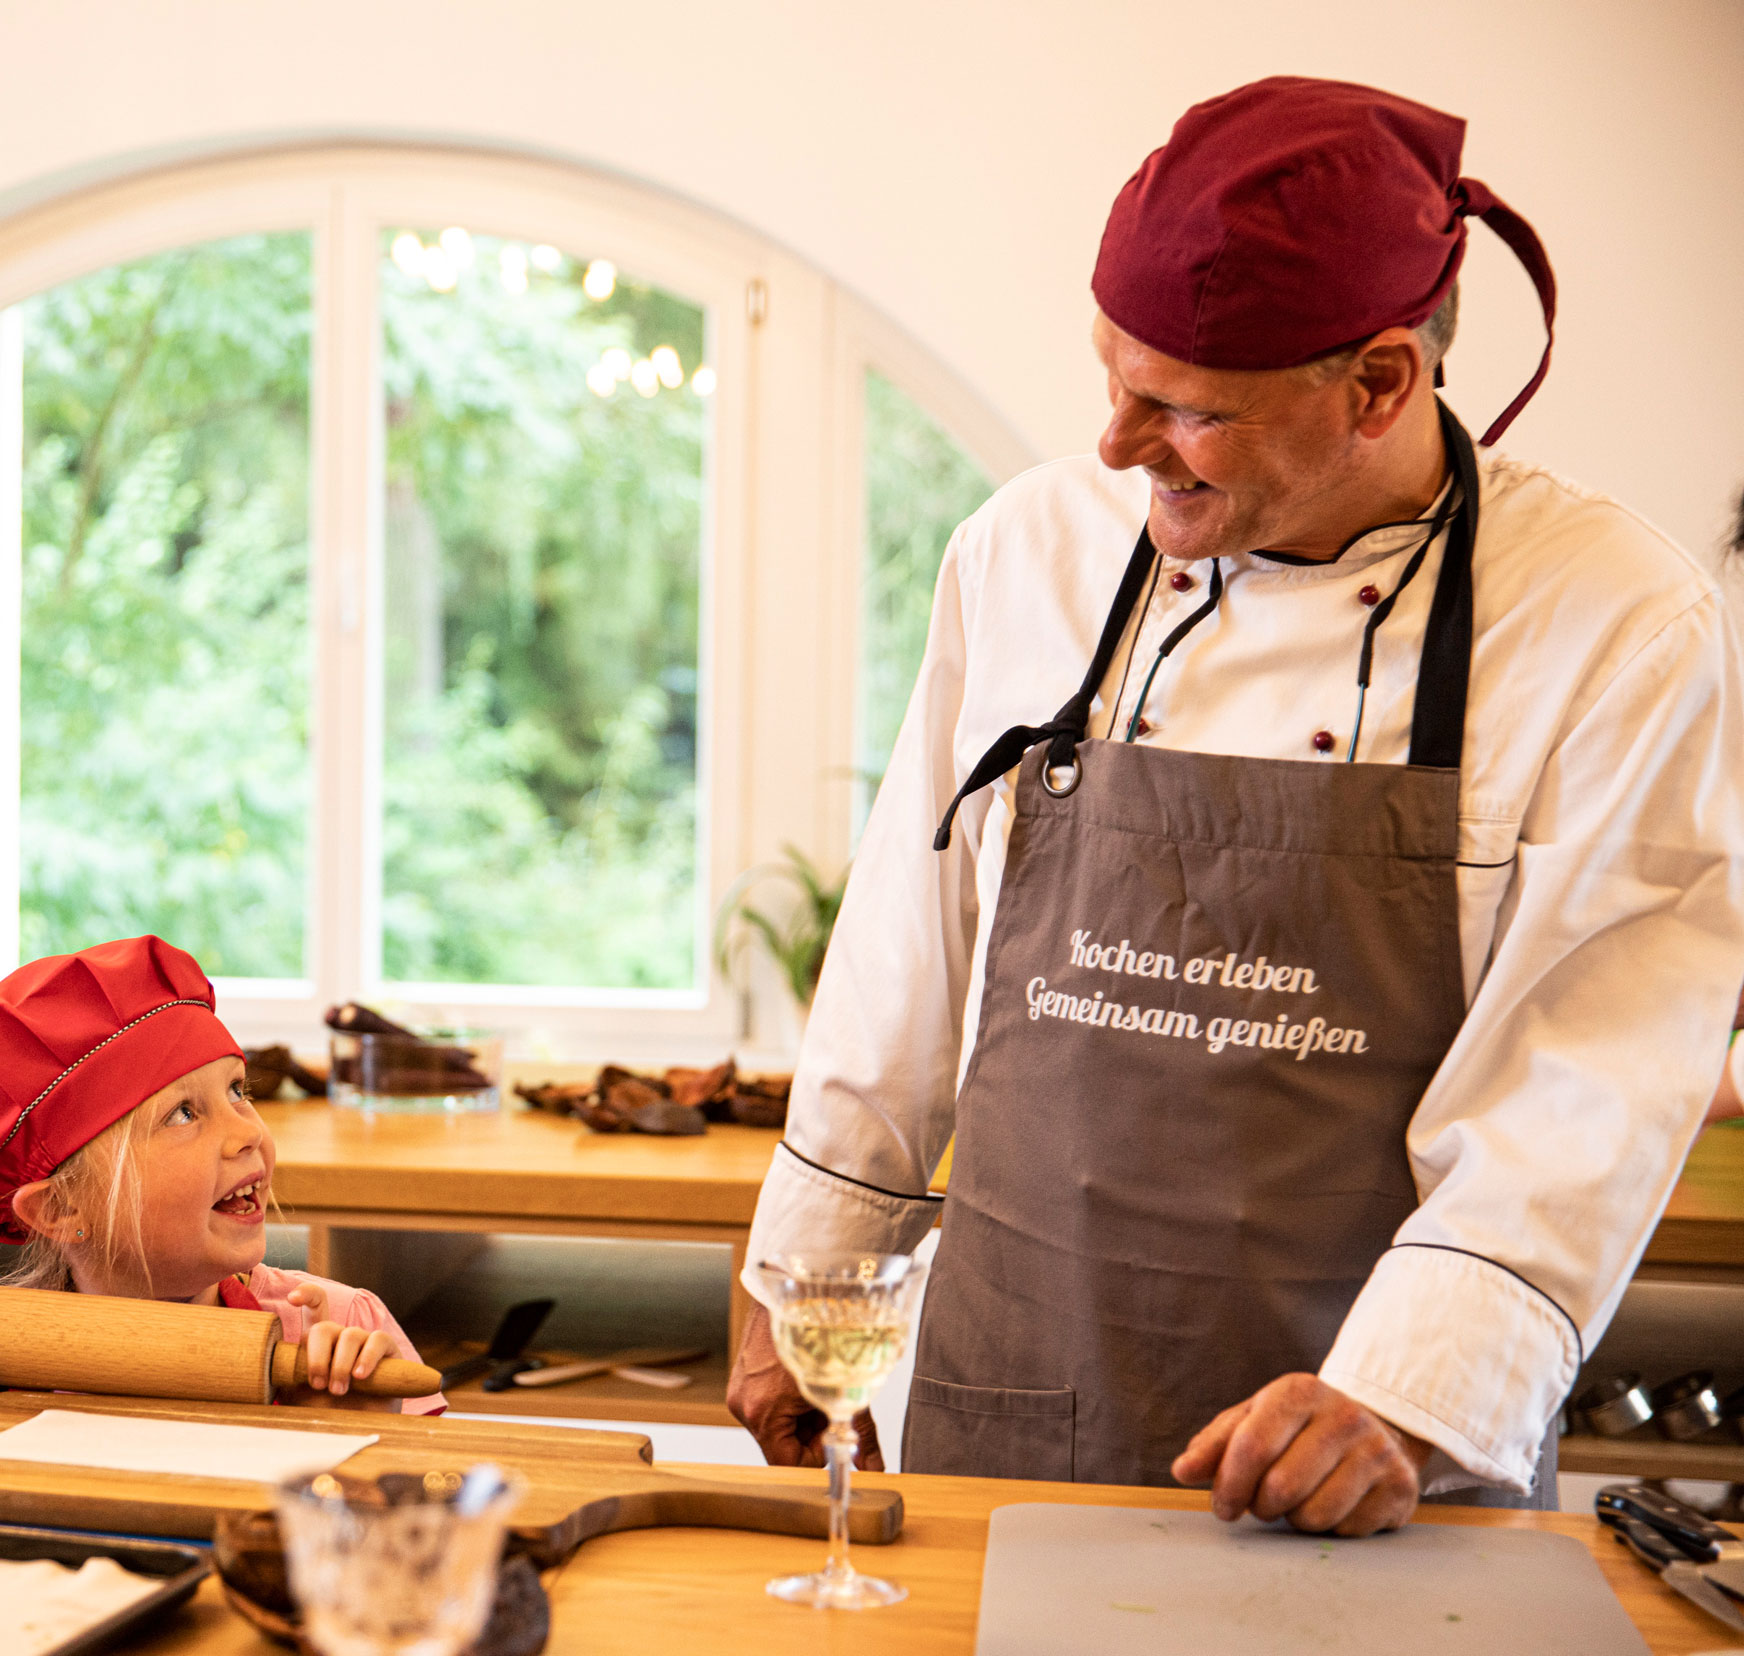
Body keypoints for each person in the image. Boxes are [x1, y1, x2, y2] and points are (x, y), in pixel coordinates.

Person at [730, 76, 1744, 1535]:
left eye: (1186, 410)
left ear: (1380, 384)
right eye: (1112, 378)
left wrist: (1409, 1397)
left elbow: (1588, 1067)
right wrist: (799, 1270)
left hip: (1368, 1454)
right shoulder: (1025, 549)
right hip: (1009, 1388)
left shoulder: (1613, 622)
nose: (1115, 443)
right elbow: (909, 937)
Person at [0, 936, 441, 1417]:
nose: (249, 1132)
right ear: (59, 1209)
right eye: (183, 1113)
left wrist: (354, 1438)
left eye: (238, 1089)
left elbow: (446, 1545)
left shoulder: (338, 1336)